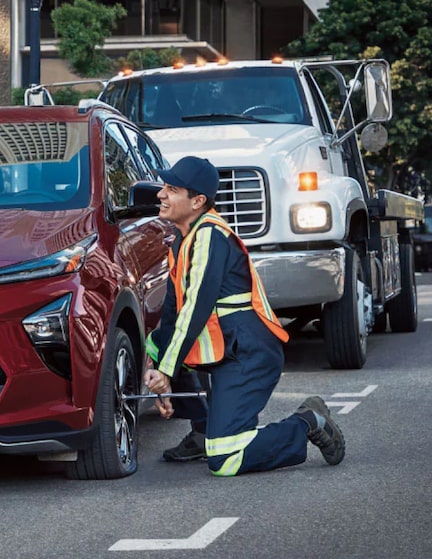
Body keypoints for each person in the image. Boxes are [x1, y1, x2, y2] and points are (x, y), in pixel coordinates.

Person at [142, 156, 345, 476]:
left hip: (248, 352)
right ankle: (205, 429)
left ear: (197, 201)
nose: (161, 195)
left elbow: (196, 307)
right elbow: (172, 313)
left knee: (225, 459)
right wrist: (159, 371)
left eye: (171, 189)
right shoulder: (182, 241)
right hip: (227, 349)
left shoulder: (210, 234)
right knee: (158, 340)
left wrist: (168, 370)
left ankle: (307, 421)